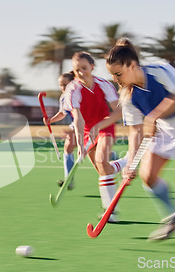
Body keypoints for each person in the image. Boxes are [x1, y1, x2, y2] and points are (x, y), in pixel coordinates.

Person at [106, 38, 175, 243]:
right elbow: (135, 131)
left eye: (118, 74)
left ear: (132, 65)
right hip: (163, 129)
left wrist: (153, 117)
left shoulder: (160, 70)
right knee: (148, 175)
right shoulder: (128, 97)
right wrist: (131, 162)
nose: (116, 79)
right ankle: (173, 217)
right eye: (112, 75)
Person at [66, 51, 127, 222]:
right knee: (103, 169)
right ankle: (123, 163)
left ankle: (110, 211)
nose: (81, 73)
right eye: (77, 70)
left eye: (84, 68)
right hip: (86, 131)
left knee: (102, 161)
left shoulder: (104, 84)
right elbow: (77, 118)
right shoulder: (73, 89)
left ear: (92, 67)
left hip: (105, 126)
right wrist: (80, 145)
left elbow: (118, 111)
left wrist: (100, 125)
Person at [44, 72, 77, 189]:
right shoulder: (63, 98)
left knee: (99, 152)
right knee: (68, 148)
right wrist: (50, 120)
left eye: (65, 85)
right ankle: (69, 180)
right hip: (75, 125)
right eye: (60, 85)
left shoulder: (78, 95)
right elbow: (63, 113)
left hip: (89, 124)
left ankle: (120, 162)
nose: (63, 88)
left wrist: (72, 131)